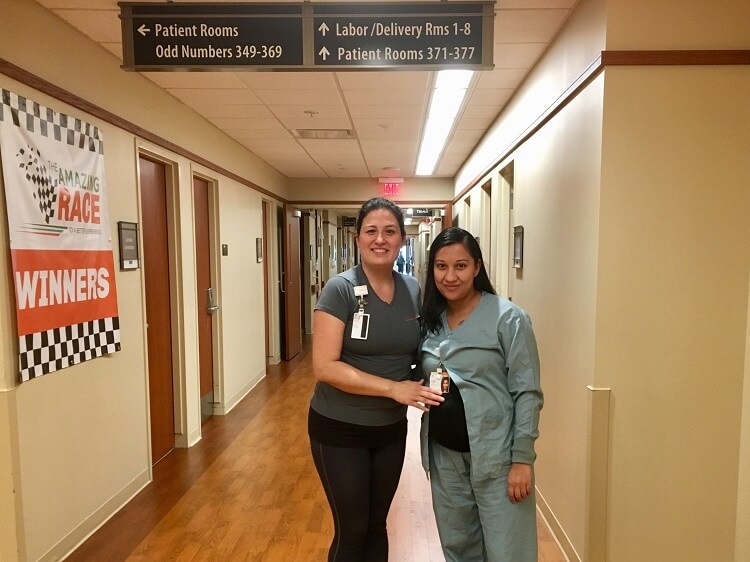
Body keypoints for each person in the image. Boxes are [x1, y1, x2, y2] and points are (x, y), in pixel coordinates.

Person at [308, 197, 444, 562]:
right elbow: (324, 366)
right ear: (358, 238)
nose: (380, 239)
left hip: (390, 429)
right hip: (340, 427)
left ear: (401, 239)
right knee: (352, 529)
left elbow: (417, 351)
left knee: (376, 526)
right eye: (371, 231)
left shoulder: (412, 289)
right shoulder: (340, 289)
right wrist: (393, 388)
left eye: (389, 231)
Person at [419, 226, 544, 562]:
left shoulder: (509, 319)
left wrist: (522, 459)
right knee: (458, 549)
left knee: (508, 552)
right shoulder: (431, 320)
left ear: (477, 267)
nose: (450, 276)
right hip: (445, 458)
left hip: (497, 457)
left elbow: (528, 392)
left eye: (460, 266)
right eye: (441, 266)